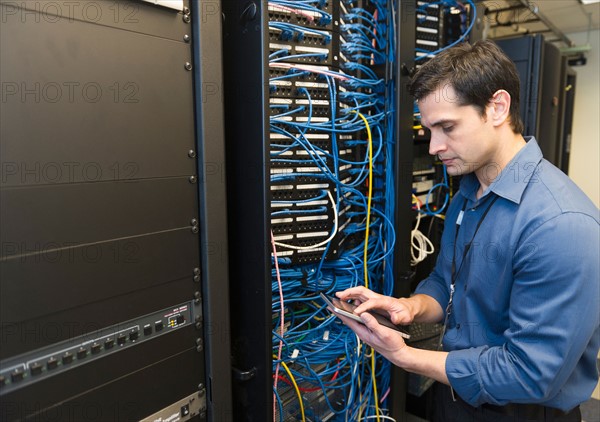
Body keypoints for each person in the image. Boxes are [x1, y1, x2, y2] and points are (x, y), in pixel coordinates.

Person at [336, 40, 600, 421]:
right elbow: (447, 283)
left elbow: (529, 373)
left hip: (522, 411)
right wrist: (408, 307)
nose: (434, 146)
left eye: (447, 127)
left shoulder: (562, 225)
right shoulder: (468, 193)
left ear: (497, 108)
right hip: (456, 393)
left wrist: (405, 356)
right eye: (429, 129)